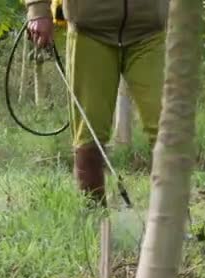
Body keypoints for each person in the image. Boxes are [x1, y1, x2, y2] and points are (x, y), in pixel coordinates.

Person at [25, 0, 170, 207]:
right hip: (89, 30)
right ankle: (94, 218)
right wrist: (38, 9)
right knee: (89, 133)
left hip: (151, 30)